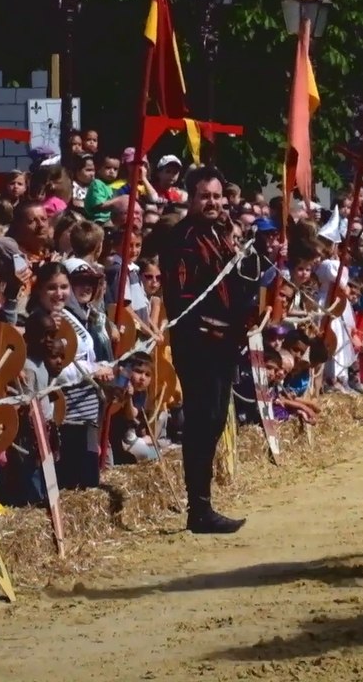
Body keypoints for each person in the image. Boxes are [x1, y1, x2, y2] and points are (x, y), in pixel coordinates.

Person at [160, 165, 257, 534]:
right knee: (202, 421)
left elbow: (244, 280)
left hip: (226, 343)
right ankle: (198, 508)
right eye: (206, 197)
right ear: (191, 198)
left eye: (218, 196)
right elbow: (184, 297)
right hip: (198, 344)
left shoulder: (222, 234)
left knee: (216, 418)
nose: (214, 203)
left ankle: (203, 503)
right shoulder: (181, 239)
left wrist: (244, 250)